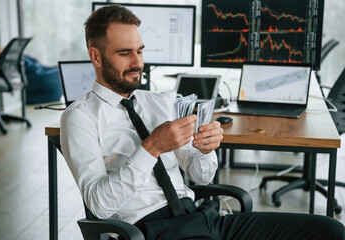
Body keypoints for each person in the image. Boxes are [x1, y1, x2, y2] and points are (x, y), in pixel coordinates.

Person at [60, 4, 345, 240]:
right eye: (124, 53)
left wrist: (206, 150)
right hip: (149, 232)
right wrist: (151, 148)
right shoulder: (79, 118)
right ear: (95, 56)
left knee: (329, 231)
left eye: (140, 50)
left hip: (203, 220)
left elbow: (201, 177)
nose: (137, 62)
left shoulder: (159, 102)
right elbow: (99, 205)